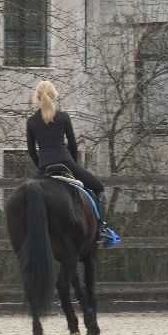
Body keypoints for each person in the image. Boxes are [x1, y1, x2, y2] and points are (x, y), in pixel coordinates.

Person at [25, 80, 107, 229]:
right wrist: (73, 164)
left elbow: (31, 150)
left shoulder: (31, 122)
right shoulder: (63, 117)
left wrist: (41, 167)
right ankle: (102, 228)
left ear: (37, 97)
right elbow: (73, 145)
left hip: (44, 166)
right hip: (66, 162)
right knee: (99, 188)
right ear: (54, 96)